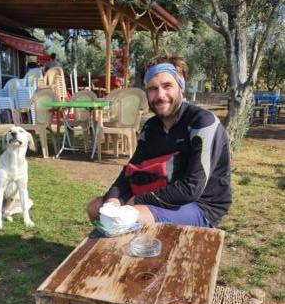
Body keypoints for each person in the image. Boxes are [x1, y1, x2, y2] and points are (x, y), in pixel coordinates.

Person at [87, 55, 232, 228]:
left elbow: (191, 188)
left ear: (181, 86)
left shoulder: (202, 123)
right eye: (153, 89)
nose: (160, 95)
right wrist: (112, 199)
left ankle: (139, 252)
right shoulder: (151, 127)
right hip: (162, 190)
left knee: (130, 217)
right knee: (96, 209)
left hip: (202, 204)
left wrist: (137, 200)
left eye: (167, 86)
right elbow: (132, 170)